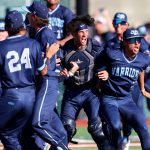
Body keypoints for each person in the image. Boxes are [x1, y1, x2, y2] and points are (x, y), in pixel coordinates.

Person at [0, 10, 54, 150]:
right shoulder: (33, 44)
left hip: (11, 95)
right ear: (22, 26)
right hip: (30, 96)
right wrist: (47, 56)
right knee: (18, 135)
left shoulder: (1, 47)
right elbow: (43, 71)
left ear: (6, 27)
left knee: (8, 134)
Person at [60, 15, 111, 150]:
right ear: (73, 34)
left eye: (86, 32)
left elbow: (106, 65)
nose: (84, 35)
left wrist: (106, 73)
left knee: (97, 128)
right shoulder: (65, 49)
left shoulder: (95, 46)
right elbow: (56, 70)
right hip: (72, 93)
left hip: (91, 93)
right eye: (80, 32)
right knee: (66, 128)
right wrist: (61, 72)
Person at [96, 28, 150, 150]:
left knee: (143, 126)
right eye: (133, 40)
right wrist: (101, 71)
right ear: (125, 42)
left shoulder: (144, 58)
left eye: (139, 40)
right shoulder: (112, 53)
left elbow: (141, 69)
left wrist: (142, 89)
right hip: (109, 99)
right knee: (115, 127)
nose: (137, 43)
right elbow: (99, 59)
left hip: (126, 99)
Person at [26, 1, 68, 150]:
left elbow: (47, 67)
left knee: (37, 123)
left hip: (47, 83)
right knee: (60, 132)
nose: (28, 15)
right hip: (44, 83)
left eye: (30, 13)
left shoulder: (45, 34)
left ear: (34, 16)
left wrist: (48, 58)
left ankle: (62, 147)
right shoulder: (39, 33)